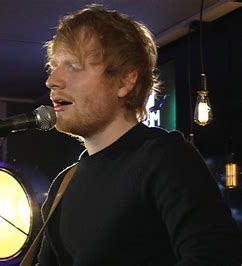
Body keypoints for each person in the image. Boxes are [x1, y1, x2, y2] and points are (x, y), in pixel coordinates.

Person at [37, 4, 242, 266]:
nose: (52, 81)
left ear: (125, 81)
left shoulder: (164, 157)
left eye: (74, 66)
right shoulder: (63, 185)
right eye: (53, 67)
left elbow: (215, 256)